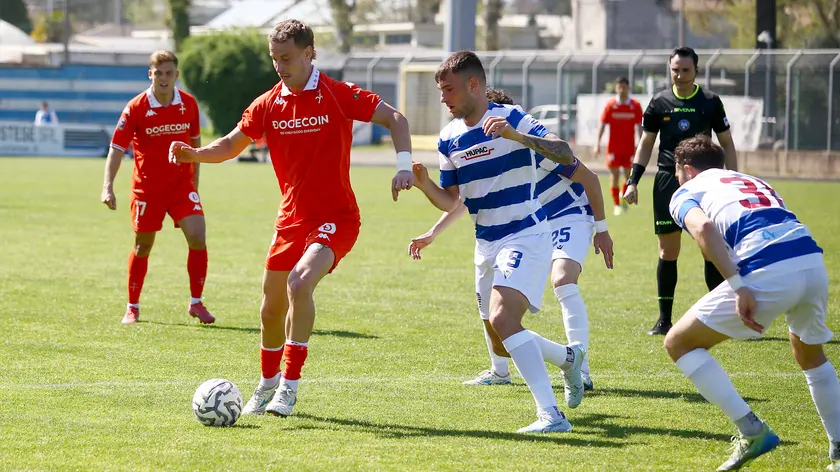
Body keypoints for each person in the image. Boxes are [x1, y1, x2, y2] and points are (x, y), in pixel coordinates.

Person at [168, 19, 415, 418]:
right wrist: (196, 155)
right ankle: (265, 384)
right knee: (269, 309)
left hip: (336, 217)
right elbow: (233, 142)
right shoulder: (268, 103)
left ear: (308, 53)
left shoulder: (337, 94)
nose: (280, 66)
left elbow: (396, 119)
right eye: (274, 59)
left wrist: (403, 165)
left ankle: (289, 385)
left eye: (286, 58)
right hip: (291, 220)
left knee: (300, 284)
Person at [411, 51, 588, 433]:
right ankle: (569, 359)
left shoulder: (512, 117)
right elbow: (452, 199)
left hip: (526, 233)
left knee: (505, 318)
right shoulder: (448, 138)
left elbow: (564, 151)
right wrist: (425, 184)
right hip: (485, 242)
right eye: (441, 91)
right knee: (499, 331)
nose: (443, 98)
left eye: (449, 90)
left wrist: (516, 136)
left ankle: (552, 416)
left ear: (474, 85)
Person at [663, 136, 837, 471]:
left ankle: (751, 430)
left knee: (679, 342)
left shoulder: (686, 190)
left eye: (677, 172)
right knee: (810, 355)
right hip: (811, 261)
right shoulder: (754, 179)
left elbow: (704, 227)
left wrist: (738, 285)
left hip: (766, 270)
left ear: (686, 169)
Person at [623, 46, 738, 336]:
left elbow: (727, 143)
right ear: (670, 70)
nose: (680, 74)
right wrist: (633, 180)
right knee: (667, 251)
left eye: (686, 70)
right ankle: (664, 320)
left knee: (710, 249)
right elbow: (646, 144)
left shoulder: (711, 102)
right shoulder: (659, 102)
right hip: (666, 181)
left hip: (706, 183)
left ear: (696, 71)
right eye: (675, 69)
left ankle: (720, 317)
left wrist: (734, 178)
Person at [101, 50, 214, 325]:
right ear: (150, 74)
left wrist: (194, 184)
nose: (164, 78)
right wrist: (108, 186)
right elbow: (117, 149)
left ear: (176, 75)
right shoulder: (136, 107)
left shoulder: (189, 104)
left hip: (180, 187)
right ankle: (133, 306)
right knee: (143, 246)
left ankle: (196, 303)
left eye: (169, 73)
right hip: (147, 190)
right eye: (158, 73)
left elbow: (195, 148)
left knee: (198, 236)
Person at [593, 77, 642, 216]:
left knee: (628, 176)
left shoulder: (635, 106)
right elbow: (602, 125)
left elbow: (639, 126)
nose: (622, 89)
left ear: (628, 88)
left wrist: (641, 143)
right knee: (614, 176)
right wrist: (597, 144)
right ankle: (616, 205)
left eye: (624, 87)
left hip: (629, 148)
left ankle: (623, 195)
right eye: (619, 87)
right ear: (616, 88)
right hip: (613, 148)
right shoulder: (610, 105)